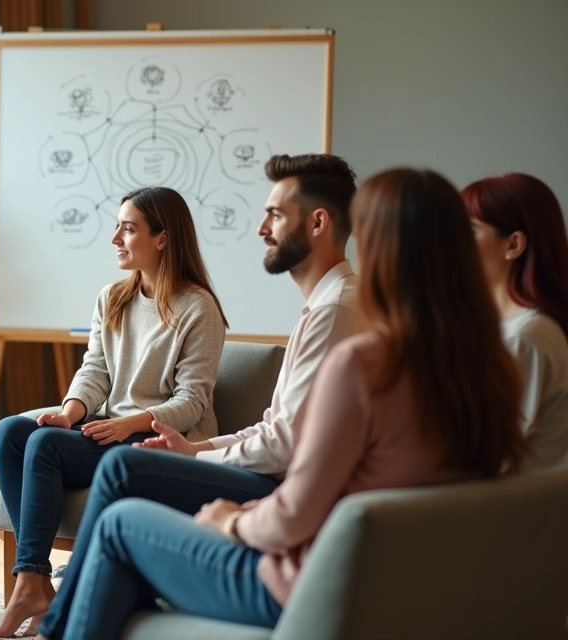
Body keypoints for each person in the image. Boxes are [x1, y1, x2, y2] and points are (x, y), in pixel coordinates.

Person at [35, 168, 527, 640]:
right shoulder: (488, 364)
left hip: (312, 583)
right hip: (403, 582)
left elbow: (295, 504)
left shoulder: (362, 355)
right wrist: (199, 453)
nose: (261, 227)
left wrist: (230, 519)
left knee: (121, 523)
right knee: (125, 554)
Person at [33, 154, 359, 636]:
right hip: (275, 471)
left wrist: (200, 460)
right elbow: (275, 425)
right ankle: (58, 606)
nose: (260, 229)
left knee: (125, 467)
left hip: (283, 489)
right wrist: (197, 449)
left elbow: (283, 446)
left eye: (274, 215)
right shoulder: (322, 307)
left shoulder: (335, 311)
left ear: (317, 222)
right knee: (29, 437)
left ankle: (58, 625)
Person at [0, 186, 228, 638]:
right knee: (10, 432)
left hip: (157, 440)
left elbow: (192, 402)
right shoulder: (112, 296)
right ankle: (33, 580)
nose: (116, 237)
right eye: (117, 226)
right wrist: (70, 413)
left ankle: (31, 586)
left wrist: (128, 423)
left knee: (46, 445)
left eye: (128, 228)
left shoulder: (199, 308)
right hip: (110, 431)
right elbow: (93, 370)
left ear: (162, 238)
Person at [464, 172, 568, 472]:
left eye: (468, 231)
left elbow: (492, 459)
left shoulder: (527, 335)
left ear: (513, 245)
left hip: (515, 513)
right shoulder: (504, 328)